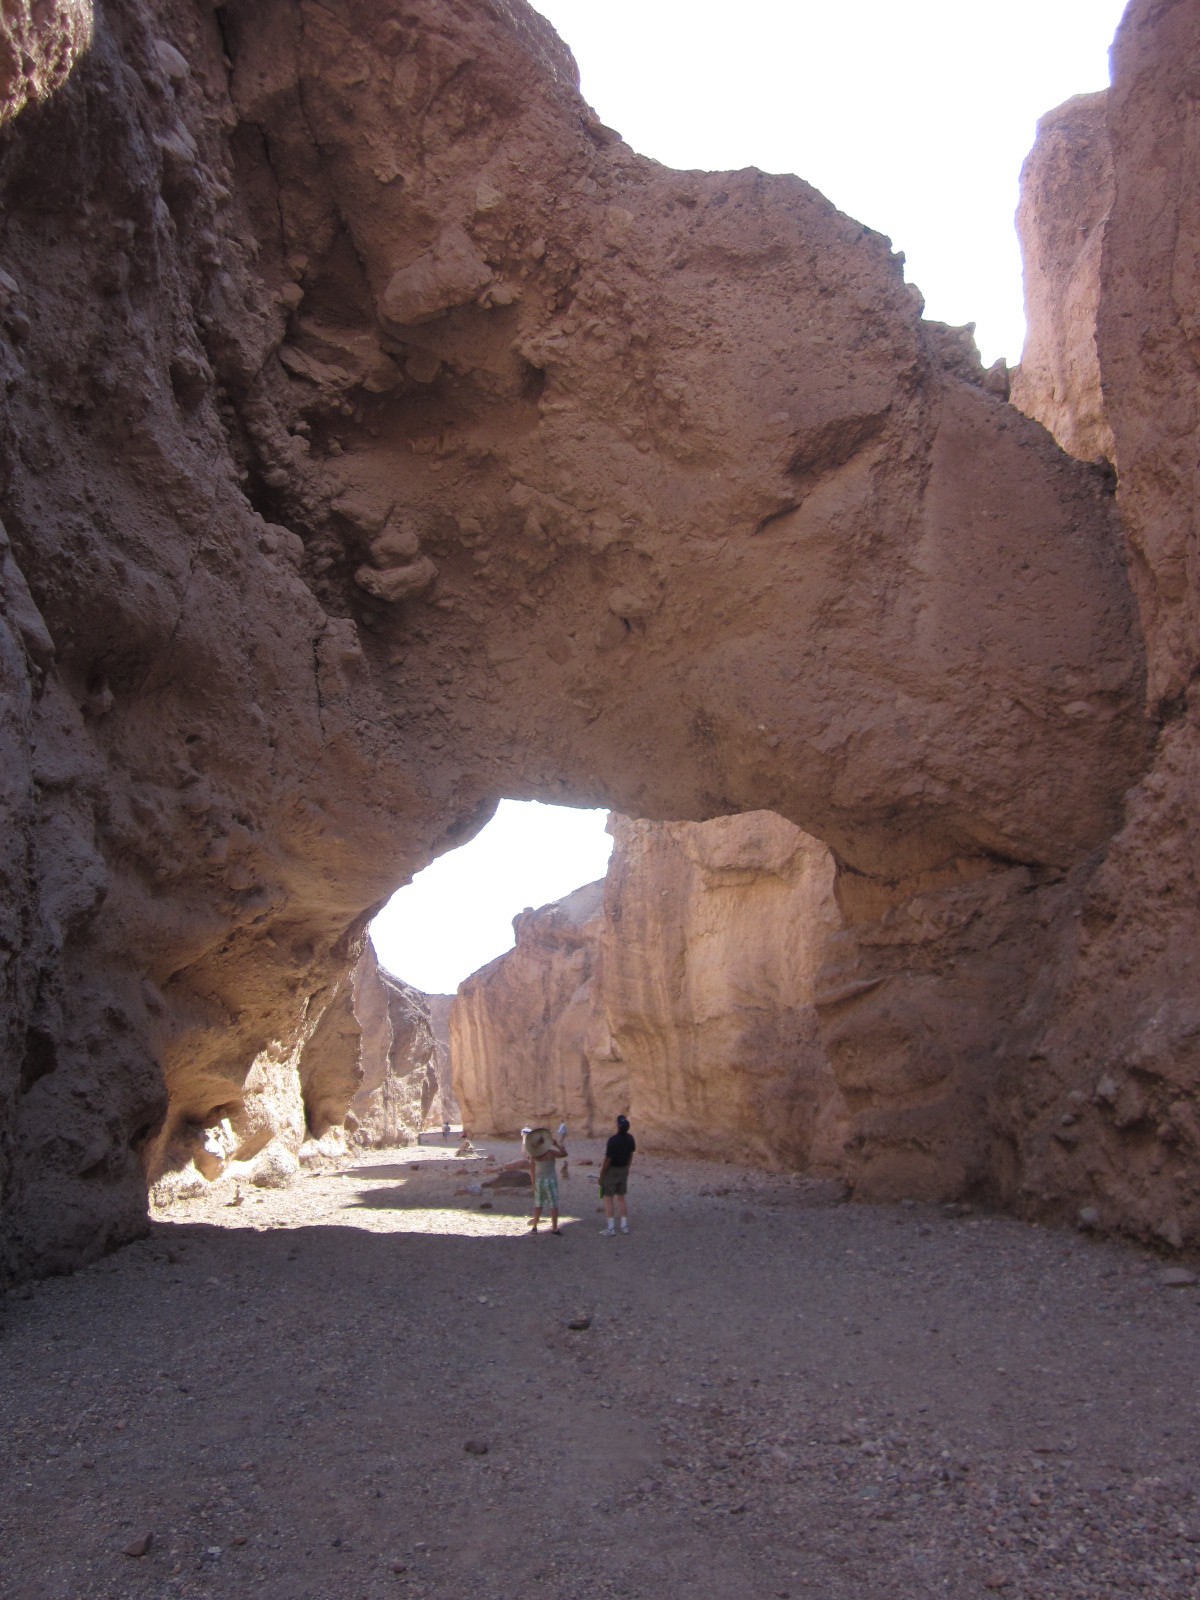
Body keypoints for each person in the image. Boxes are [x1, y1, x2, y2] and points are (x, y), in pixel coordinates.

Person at [523, 1126, 567, 1235]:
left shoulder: (534, 1156)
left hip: (539, 1181)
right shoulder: (550, 1153)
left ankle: (534, 1227)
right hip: (550, 1181)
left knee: (538, 1205)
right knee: (553, 1205)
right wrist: (556, 1144)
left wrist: (533, 1184)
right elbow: (564, 1153)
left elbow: (532, 1171)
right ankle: (555, 1228)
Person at [599, 1114, 635, 1236]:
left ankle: (611, 1228)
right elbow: (630, 1155)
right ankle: (624, 1226)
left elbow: (607, 1160)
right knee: (621, 1198)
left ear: (618, 1126)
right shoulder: (630, 1139)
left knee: (608, 1198)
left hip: (612, 1171)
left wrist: (602, 1175)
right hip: (623, 1170)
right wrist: (627, 1168)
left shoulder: (613, 1141)